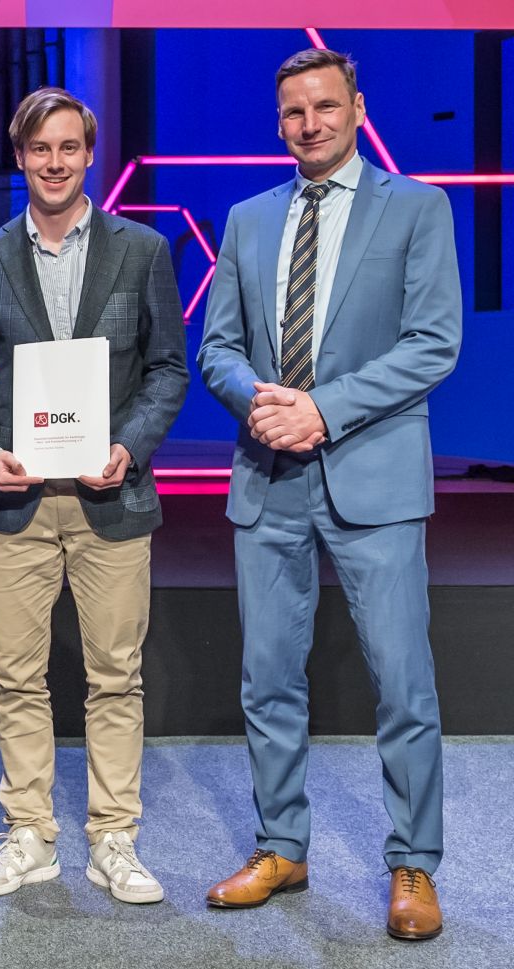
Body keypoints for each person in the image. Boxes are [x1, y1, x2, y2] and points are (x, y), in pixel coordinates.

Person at [198, 48, 461, 941]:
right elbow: (217, 347)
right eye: (291, 113)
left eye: (323, 106)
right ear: (279, 124)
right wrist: (264, 405)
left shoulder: (419, 207)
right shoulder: (247, 217)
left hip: (375, 479)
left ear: (355, 106)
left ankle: (414, 863)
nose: (307, 124)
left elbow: (434, 342)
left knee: (402, 682)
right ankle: (282, 845)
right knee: (267, 678)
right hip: (268, 476)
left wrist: (322, 409)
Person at [0, 87, 187, 903]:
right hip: (14, 501)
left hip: (111, 498)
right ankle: (30, 834)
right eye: (38, 149)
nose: (54, 163)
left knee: (114, 675)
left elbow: (166, 369)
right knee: (16, 676)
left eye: (68, 148)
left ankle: (113, 836)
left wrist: (128, 447)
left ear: (89, 155)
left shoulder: (144, 250)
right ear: (19, 157)